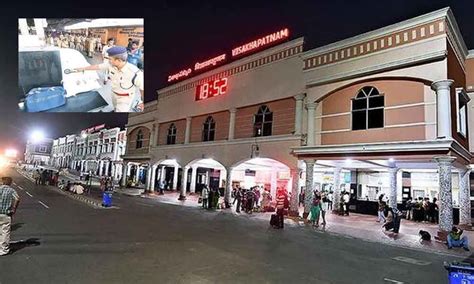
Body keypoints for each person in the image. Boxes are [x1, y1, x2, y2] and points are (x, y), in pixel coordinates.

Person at [73, 46, 144, 112]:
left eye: (110, 59)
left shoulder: (135, 73)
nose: (108, 61)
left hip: (125, 98)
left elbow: (142, 88)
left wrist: (143, 102)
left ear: (118, 60)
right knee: (115, 107)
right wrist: (83, 68)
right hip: (114, 93)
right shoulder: (110, 65)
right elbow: (97, 66)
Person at [0, 177, 20, 256]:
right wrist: (14, 209)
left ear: (2, 182)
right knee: (5, 232)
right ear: (10, 183)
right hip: (6, 214)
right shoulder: (11, 190)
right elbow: (17, 199)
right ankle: (3, 250)